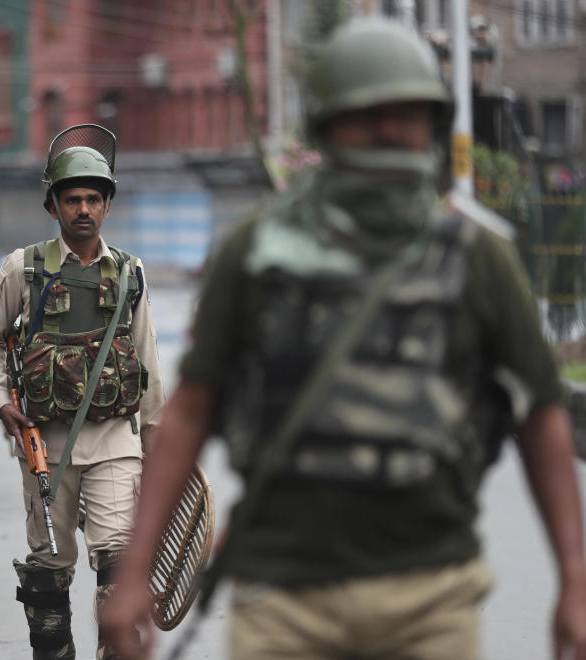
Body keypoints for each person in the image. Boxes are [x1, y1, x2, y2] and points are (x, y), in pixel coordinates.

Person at [102, 18, 586, 660]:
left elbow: (542, 417)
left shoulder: (476, 258)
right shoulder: (256, 252)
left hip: (431, 593)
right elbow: (192, 406)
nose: (390, 131)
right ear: (329, 126)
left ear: (432, 127)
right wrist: (135, 573)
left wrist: (575, 585)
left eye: (407, 115)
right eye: (369, 115)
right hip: (283, 596)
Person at [0, 124, 165, 660]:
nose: (84, 209)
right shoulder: (24, 268)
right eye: (72, 199)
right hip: (46, 449)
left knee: (118, 563)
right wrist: (5, 404)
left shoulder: (130, 273)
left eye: (93, 199)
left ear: (107, 206)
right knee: (49, 576)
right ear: (53, 206)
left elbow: (147, 361)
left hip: (114, 443)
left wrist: (158, 446)